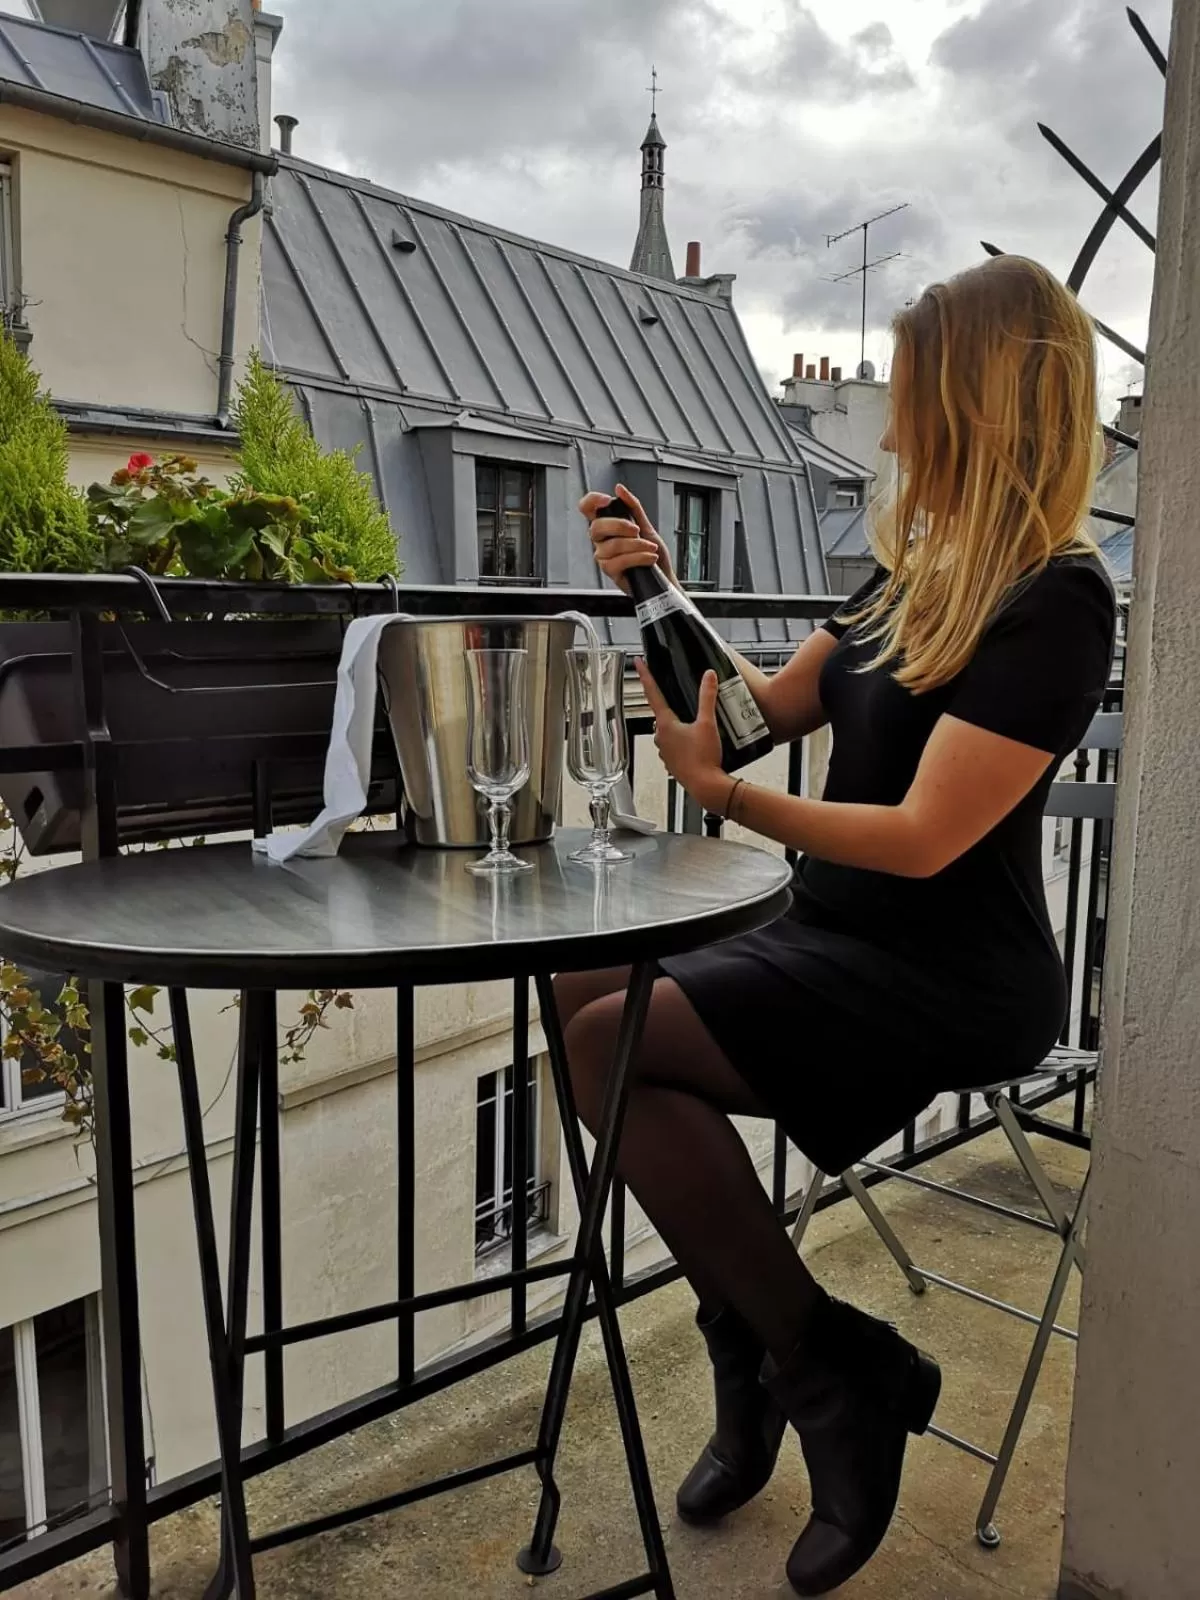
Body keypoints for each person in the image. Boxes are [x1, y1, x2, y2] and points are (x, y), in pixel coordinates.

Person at [557, 255, 1117, 1597]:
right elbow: (756, 708)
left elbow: (926, 835)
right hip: (832, 935)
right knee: (575, 977)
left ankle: (819, 1372)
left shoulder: (1059, 595)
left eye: (915, 384)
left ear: (983, 395)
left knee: (605, 1046)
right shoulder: (905, 572)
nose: (892, 416)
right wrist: (654, 590)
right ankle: (768, 1354)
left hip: (952, 971)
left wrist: (724, 802)